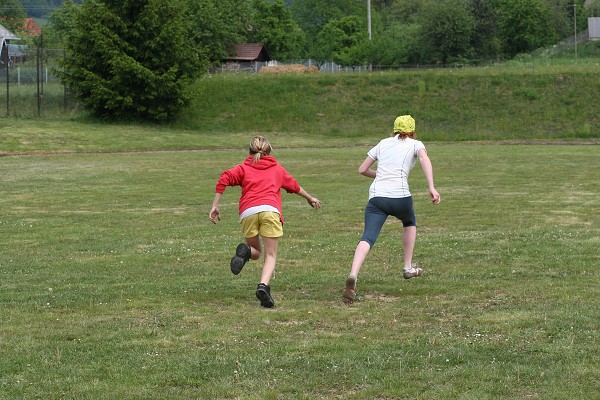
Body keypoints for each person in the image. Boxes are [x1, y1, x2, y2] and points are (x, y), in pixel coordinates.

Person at [210, 136, 321, 308]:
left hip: (248, 213)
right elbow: (294, 185)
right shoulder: (276, 168)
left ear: (250, 151)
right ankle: (263, 286)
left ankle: (246, 251)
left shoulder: (243, 168)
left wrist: (215, 205)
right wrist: (309, 197)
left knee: (256, 252)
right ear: (269, 152)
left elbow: (224, 178)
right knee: (270, 255)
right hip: (270, 211)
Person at [342, 115, 441, 304]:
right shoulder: (415, 144)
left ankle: (353, 274)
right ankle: (407, 267)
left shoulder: (383, 143)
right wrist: (431, 187)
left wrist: (379, 175)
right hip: (400, 196)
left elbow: (362, 169)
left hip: (377, 197)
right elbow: (424, 160)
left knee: (368, 237)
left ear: (394, 130)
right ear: (412, 131)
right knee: (409, 222)